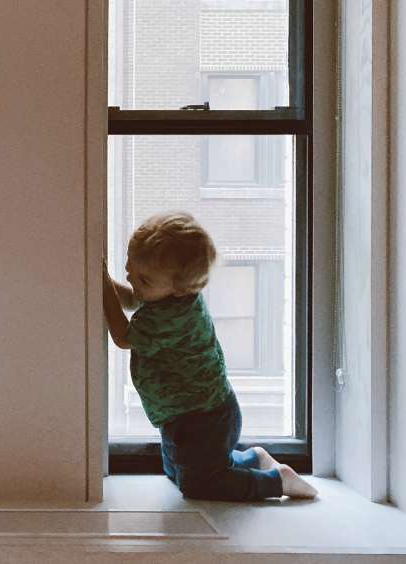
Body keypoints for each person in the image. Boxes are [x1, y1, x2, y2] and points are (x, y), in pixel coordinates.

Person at [102, 210, 317, 502]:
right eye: (129, 265)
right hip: (188, 414)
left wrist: (101, 285)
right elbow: (131, 297)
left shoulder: (170, 317)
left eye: (143, 278)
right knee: (178, 472)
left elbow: (122, 337)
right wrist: (101, 280)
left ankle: (277, 483)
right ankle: (254, 458)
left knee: (199, 485)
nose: (129, 276)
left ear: (180, 288)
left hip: (202, 418)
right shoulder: (170, 293)